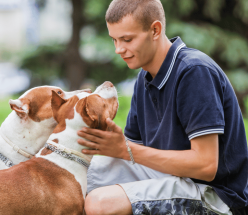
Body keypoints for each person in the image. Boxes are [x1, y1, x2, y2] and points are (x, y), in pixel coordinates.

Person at [77, 0, 248, 214]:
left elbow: (206, 166)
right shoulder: (144, 79)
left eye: (127, 39)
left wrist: (125, 149)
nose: (118, 49)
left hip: (216, 196)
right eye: (114, 40)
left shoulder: (194, 71)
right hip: (167, 176)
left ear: (155, 30)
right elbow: (133, 154)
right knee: (76, 176)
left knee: (101, 203)